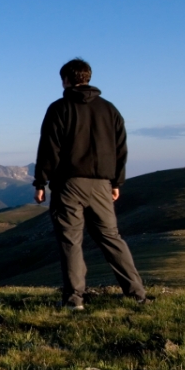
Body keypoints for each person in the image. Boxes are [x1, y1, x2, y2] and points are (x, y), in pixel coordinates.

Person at [33, 58, 148, 310]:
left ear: (65, 80)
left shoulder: (59, 108)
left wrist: (40, 181)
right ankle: (137, 294)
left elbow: (49, 148)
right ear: (88, 78)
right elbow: (121, 149)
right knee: (111, 237)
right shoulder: (110, 109)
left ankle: (74, 300)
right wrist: (116, 181)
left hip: (68, 184)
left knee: (70, 240)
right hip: (102, 185)